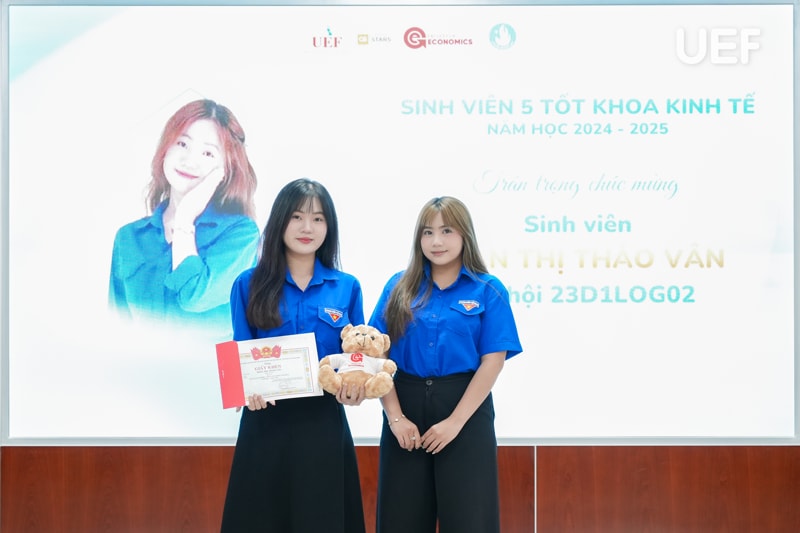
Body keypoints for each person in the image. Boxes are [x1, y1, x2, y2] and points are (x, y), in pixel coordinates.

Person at [220, 178, 367, 533]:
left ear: (328, 227)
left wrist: (355, 389)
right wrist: (243, 390)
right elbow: (238, 355)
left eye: (318, 219)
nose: (307, 228)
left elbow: (357, 359)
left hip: (323, 424)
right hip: (265, 423)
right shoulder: (248, 284)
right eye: (297, 217)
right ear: (280, 221)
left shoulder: (346, 287)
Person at [368, 196, 522, 533]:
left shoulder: (488, 290)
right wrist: (395, 418)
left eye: (447, 231)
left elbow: (493, 362)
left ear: (465, 234)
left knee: (469, 518)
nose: (436, 241)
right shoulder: (398, 287)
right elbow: (377, 353)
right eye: (428, 232)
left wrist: (455, 422)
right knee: (400, 518)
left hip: (465, 408)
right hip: (404, 407)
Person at [108, 99, 259, 338]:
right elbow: (118, 328)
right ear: (165, 149)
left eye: (208, 152)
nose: (189, 160)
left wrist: (185, 218)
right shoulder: (128, 237)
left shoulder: (241, 235)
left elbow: (194, 297)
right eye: (182, 143)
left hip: (209, 364)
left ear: (225, 169)